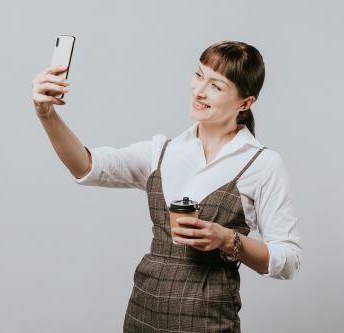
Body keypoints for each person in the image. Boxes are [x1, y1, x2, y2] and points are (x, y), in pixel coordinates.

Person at [31, 40, 302, 332]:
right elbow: (87, 165)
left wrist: (228, 240)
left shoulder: (262, 164)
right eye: (199, 75)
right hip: (142, 314)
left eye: (216, 86)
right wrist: (47, 115)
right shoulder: (161, 152)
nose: (199, 91)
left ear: (245, 103)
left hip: (209, 321)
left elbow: (288, 261)